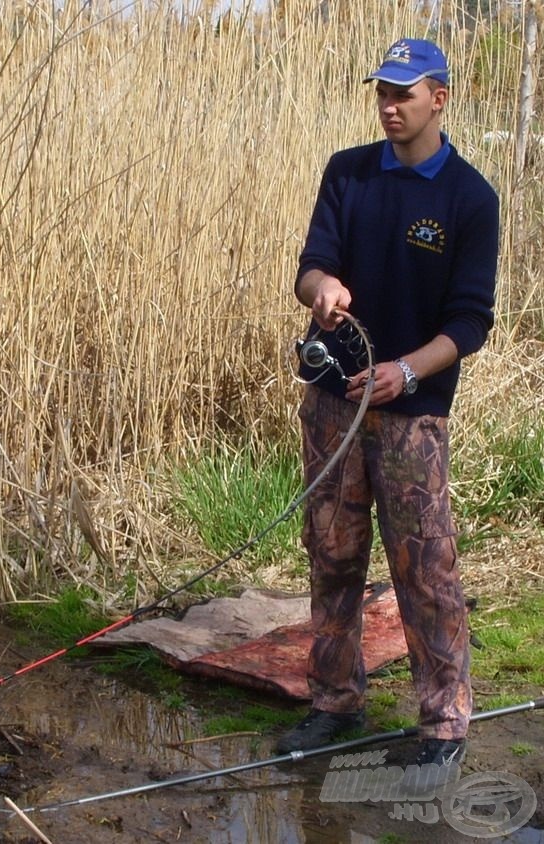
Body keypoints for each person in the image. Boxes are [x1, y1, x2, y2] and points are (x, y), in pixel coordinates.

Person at [275, 37, 500, 792]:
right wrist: (321, 291)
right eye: (382, 90)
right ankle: (334, 703)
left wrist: (407, 370)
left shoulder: (470, 198)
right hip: (333, 404)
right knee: (332, 556)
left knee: (425, 569)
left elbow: (471, 324)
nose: (389, 104)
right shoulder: (348, 173)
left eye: (405, 92)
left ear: (440, 98)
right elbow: (311, 263)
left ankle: (443, 723)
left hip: (413, 417)